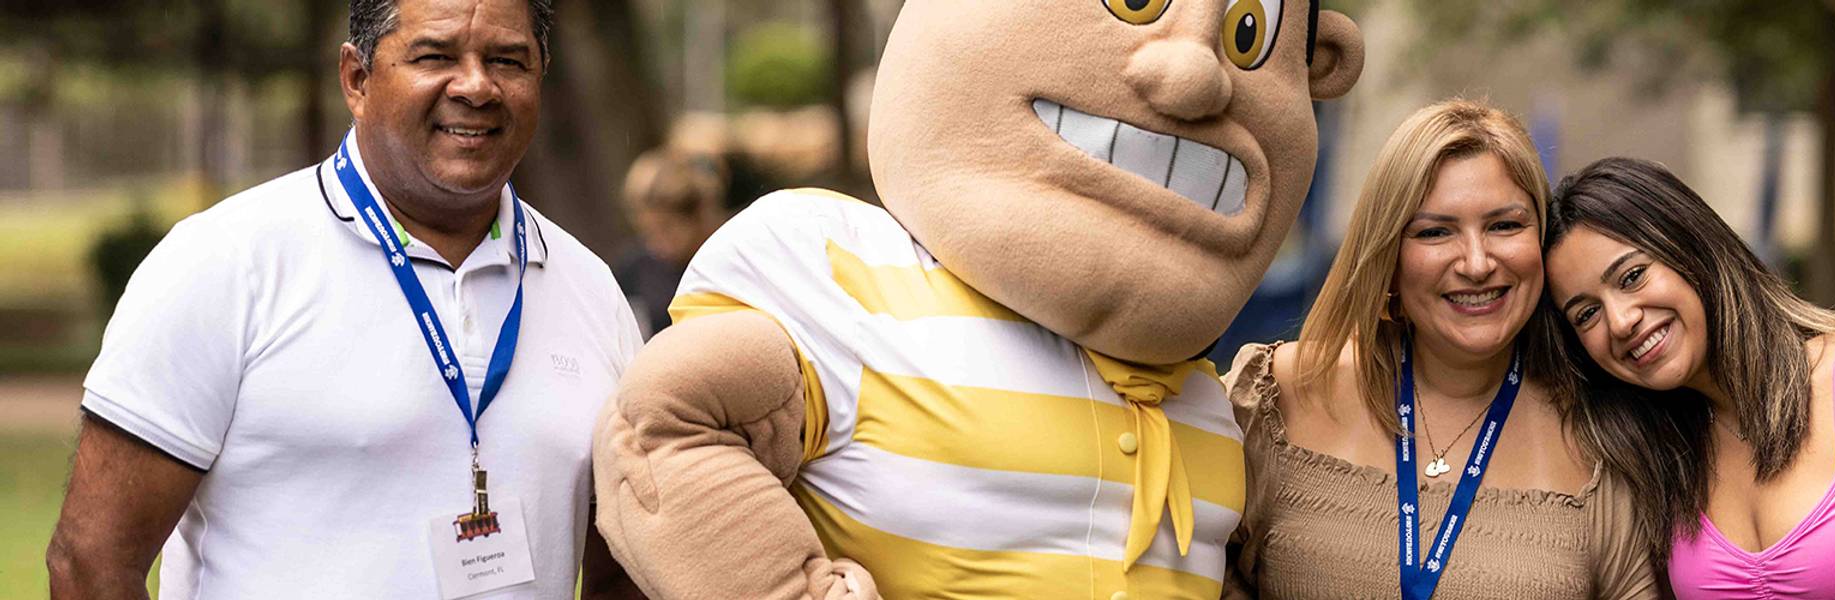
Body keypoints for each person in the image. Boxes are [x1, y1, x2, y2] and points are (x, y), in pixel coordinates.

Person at [587, 0, 1364, 598]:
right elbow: (664, 428)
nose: (1194, 79)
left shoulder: (1201, 403)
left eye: (1249, 32)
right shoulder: (842, 277)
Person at [45, 1, 645, 598]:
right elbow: (90, 561)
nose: (476, 85)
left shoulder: (592, 290)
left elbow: (624, 567)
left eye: (508, 61)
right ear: (357, 80)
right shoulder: (227, 261)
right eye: (434, 56)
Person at [1219, 100, 1655, 599]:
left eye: (1504, 225)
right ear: (1389, 255)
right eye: (1435, 232)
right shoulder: (1279, 395)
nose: (1476, 263)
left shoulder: (1603, 442)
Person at [1542, 158, 1835, 598]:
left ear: (1691, 246)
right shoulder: (1656, 458)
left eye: (1631, 277)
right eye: (1586, 314)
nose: (1621, 320)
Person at [616, 149, 728, 337]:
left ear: (698, 217)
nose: (655, 244)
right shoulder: (636, 269)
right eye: (647, 232)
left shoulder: (724, 261)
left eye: (666, 229)